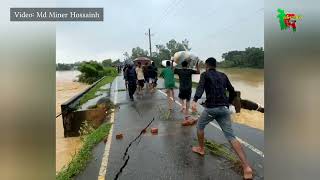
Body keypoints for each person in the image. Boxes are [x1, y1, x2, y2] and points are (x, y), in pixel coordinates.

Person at [191, 57, 253, 179]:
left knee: (200, 126)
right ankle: (246, 167)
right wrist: (228, 102)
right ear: (216, 65)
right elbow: (232, 91)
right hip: (224, 109)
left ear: (207, 66)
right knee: (231, 137)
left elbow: (200, 87)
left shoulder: (205, 74)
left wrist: (194, 100)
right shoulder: (223, 75)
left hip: (211, 109)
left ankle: (201, 148)